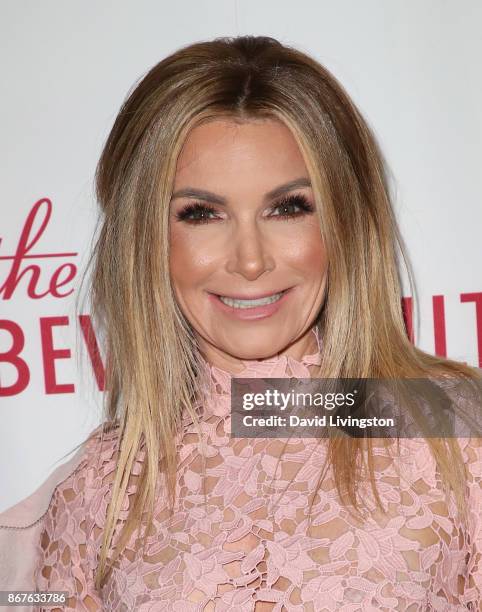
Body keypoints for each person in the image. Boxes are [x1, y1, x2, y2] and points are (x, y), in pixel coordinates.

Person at [0, 35, 481, 611]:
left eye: (288, 207)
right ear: (146, 240)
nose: (250, 260)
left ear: (346, 221)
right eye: (201, 214)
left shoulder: (452, 426)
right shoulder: (98, 492)